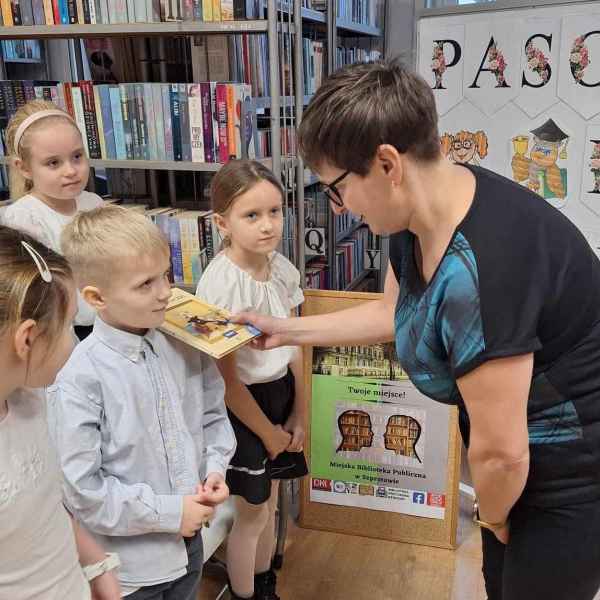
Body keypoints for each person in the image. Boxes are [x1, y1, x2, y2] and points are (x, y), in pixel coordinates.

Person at [233, 60, 600, 600]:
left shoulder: (485, 269)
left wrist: (494, 517)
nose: (338, 210)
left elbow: (504, 455)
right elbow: (396, 312)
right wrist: (285, 330)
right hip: (517, 460)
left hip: (569, 472)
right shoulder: (423, 212)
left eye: (336, 189)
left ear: (387, 164)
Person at [47, 204, 236, 599]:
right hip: (132, 569)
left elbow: (213, 415)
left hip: (190, 547)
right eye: (145, 284)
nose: (166, 292)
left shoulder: (183, 342)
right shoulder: (80, 377)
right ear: (96, 297)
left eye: (165, 275)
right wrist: (172, 513)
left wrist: (214, 468)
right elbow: (83, 489)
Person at [196, 159, 308, 600]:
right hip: (242, 408)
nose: (268, 225)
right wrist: (266, 432)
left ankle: (264, 585)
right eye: (252, 215)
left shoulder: (281, 268)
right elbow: (225, 380)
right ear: (223, 222)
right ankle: (246, 595)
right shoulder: (220, 285)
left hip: (281, 394)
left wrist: (299, 412)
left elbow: (296, 343)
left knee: (272, 504)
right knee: (252, 513)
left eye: (275, 212)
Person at [0, 226, 120, 599]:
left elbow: (44, 506)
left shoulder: (30, 399)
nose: (75, 340)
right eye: (69, 326)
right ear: (28, 339)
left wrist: (96, 564)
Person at [1, 99, 104, 341]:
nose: (70, 170)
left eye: (77, 156)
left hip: (106, 323)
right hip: (65, 334)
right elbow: (40, 299)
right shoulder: (23, 219)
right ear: (24, 168)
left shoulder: (93, 203)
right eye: (53, 163)